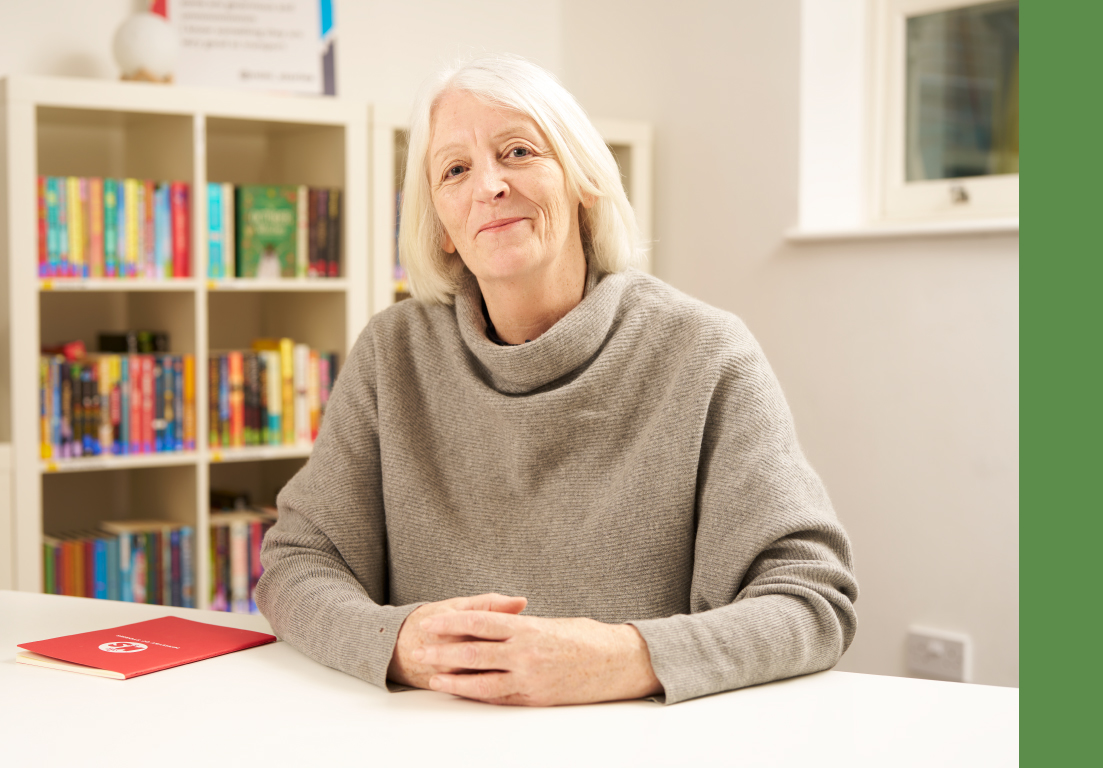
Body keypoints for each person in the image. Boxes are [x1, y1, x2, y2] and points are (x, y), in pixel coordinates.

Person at [254, 54, 858, 706]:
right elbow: (294, 564)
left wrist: (625, 658)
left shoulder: (707, 354)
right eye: (455, 169)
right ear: (442, 226)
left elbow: (812, 599)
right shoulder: (391, 353)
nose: (489, 185)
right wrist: (398, 642)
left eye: (518, 152)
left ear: (583, 181)